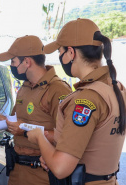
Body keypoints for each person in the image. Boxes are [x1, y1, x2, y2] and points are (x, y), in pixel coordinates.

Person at [27, 18, 126, 185]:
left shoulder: (85, 99)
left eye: (60, 52)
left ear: (71, 53)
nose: (59, 57)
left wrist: (39, 137)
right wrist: (51, 155)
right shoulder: (116, 88)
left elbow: (60, 168)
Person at [0, 35, 72, 185]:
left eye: (13, 61)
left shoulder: (58, 89)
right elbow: (17, 124)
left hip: (42, 173)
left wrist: (25, 130)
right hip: (18, 169)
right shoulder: (25, 86)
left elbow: (68, 137)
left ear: (27, 62)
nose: (11, 66)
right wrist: (2, 120)